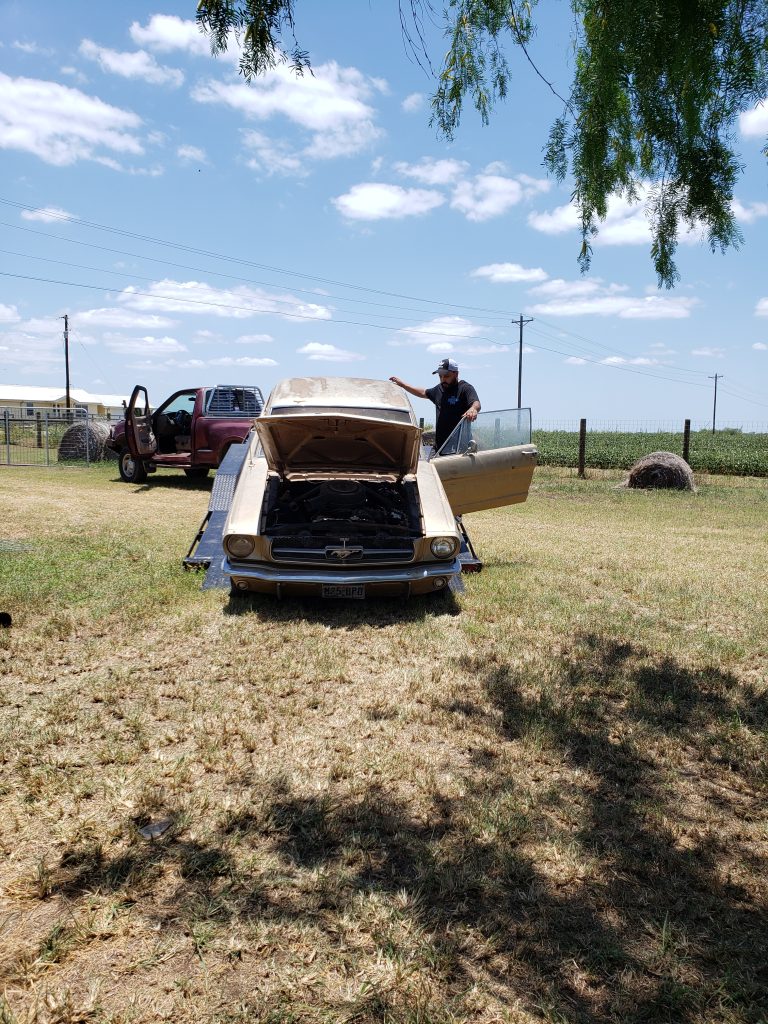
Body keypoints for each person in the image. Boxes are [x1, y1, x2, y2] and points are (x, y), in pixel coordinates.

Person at [390, 358, 481, 452]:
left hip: (459, 448)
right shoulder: (439, 389)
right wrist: (403, 385)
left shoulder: (465, 388)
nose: (443, 379)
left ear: (456, 374)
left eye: (446, 376)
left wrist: (473, 409)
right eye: (440, 376)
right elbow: (423, 392)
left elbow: (476, 403)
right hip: (439, 448)